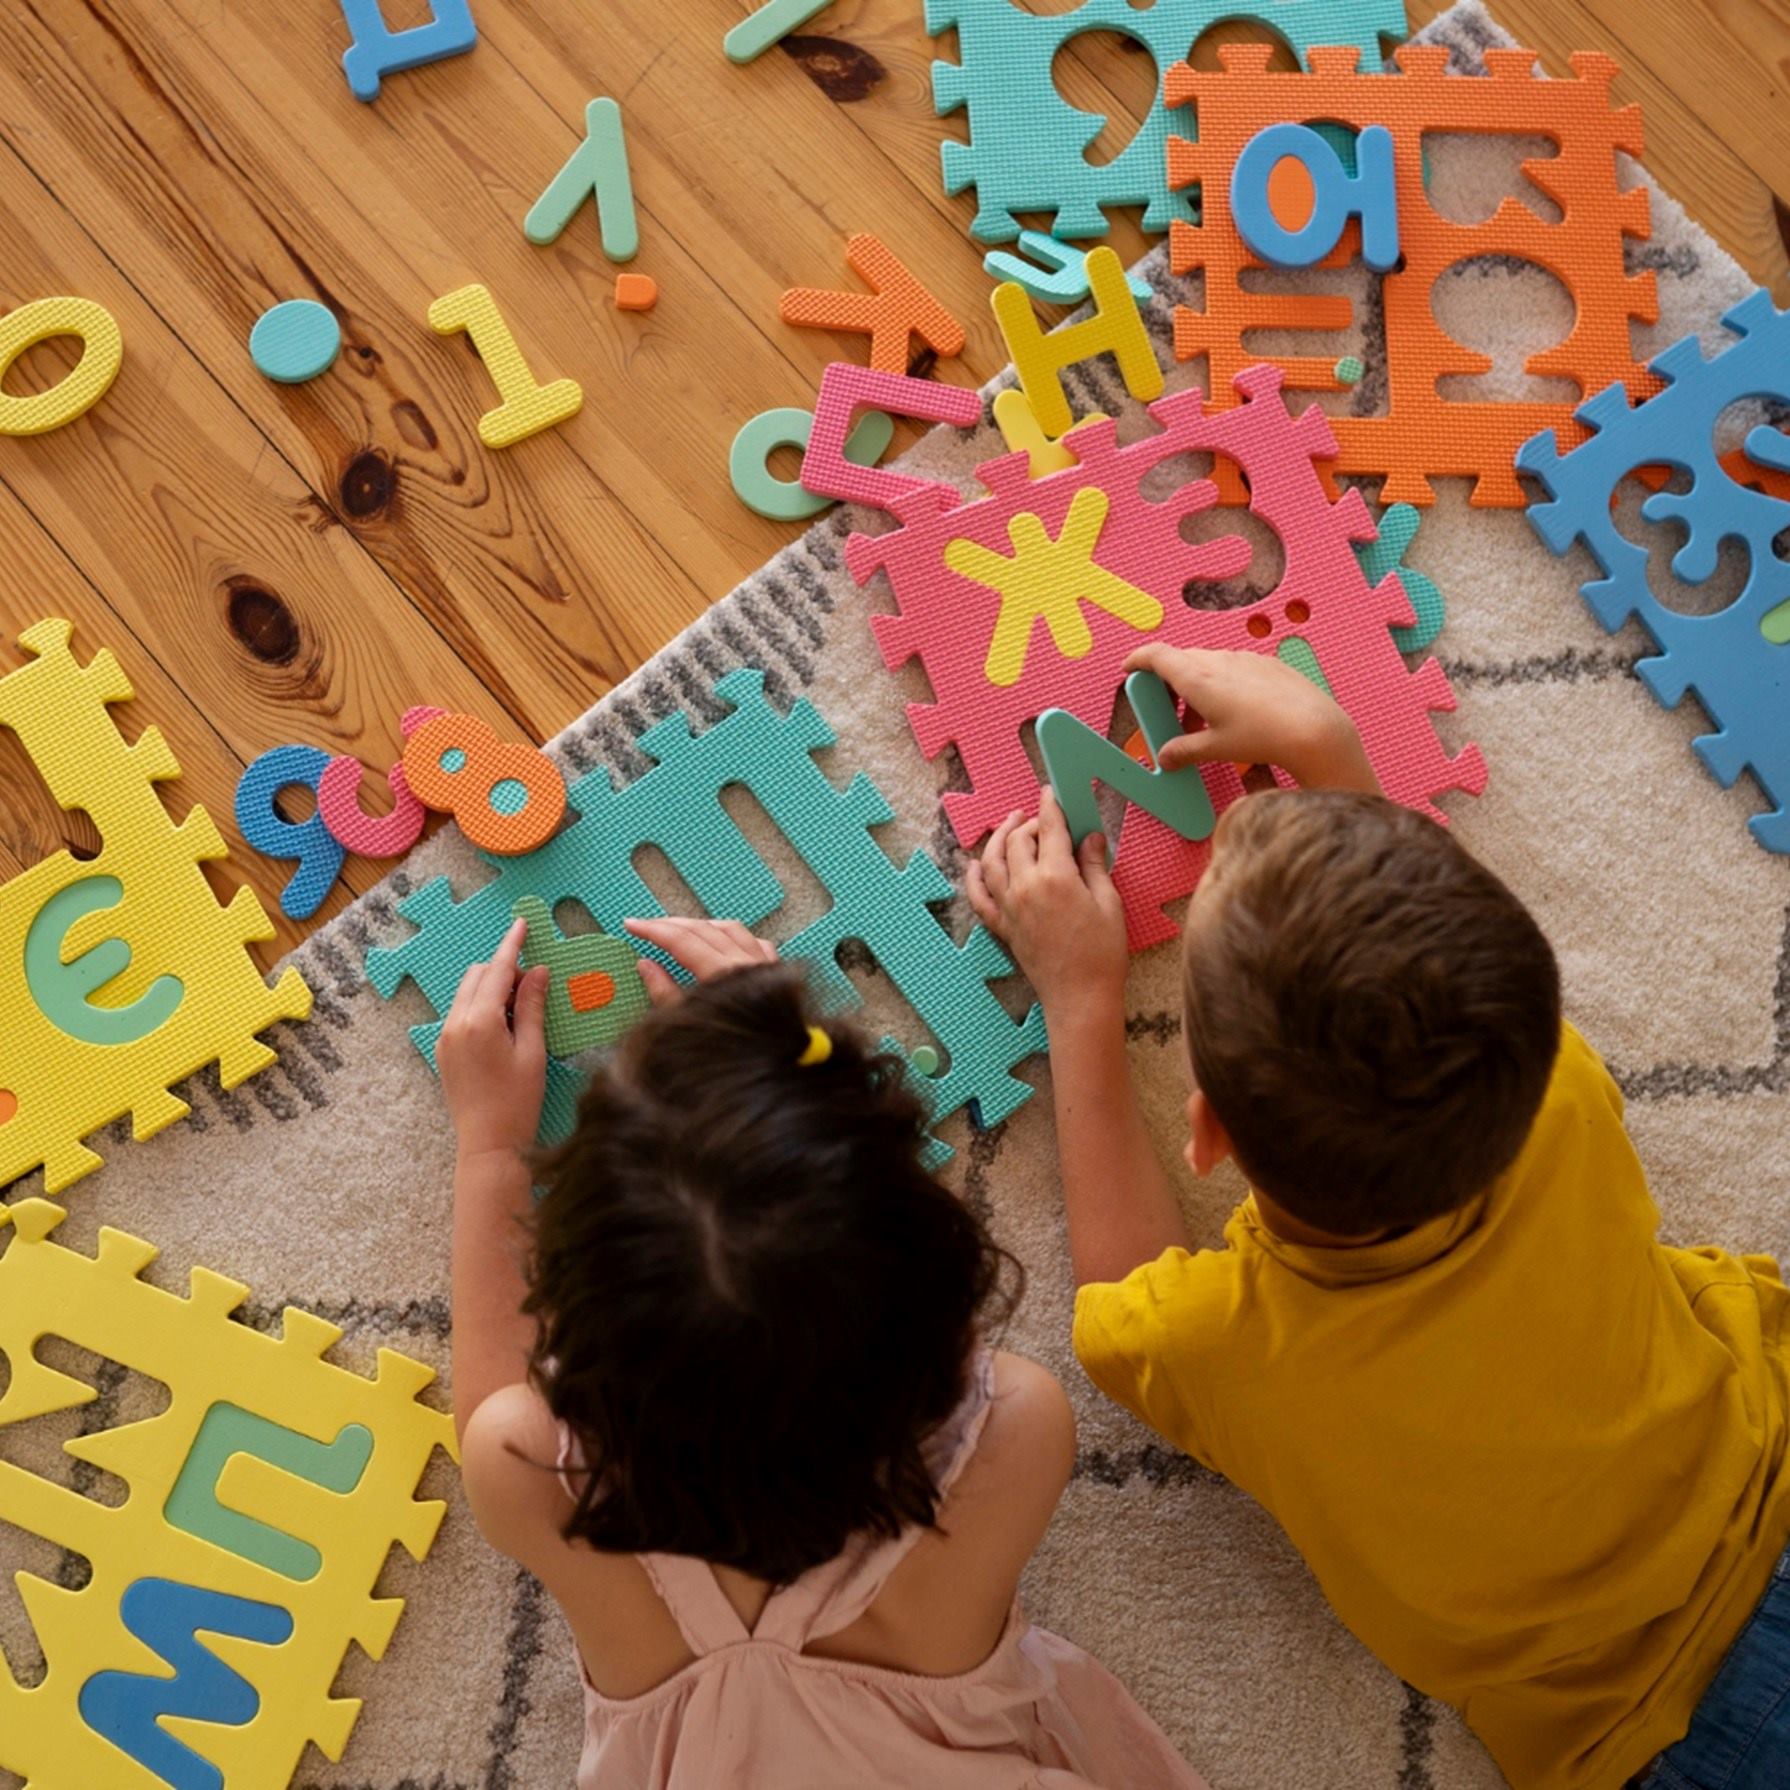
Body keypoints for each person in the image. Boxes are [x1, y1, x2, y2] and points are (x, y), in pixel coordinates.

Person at [968, 644, 1790, 1790]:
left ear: (1203, 1132)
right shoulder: (1554, 1088)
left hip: (1667, 1731)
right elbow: (1458, 964)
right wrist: (1332, 748)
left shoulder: (1225, 1345)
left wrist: (1081, 998)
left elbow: (1115, 1302)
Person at [436, 911, 1208, 1790]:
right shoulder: (1016, 1436)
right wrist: (793, 1060)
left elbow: (492, 1410)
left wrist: (489, 1148)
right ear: (933, 1288)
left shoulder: (527, 1474)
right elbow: (860, 1257)